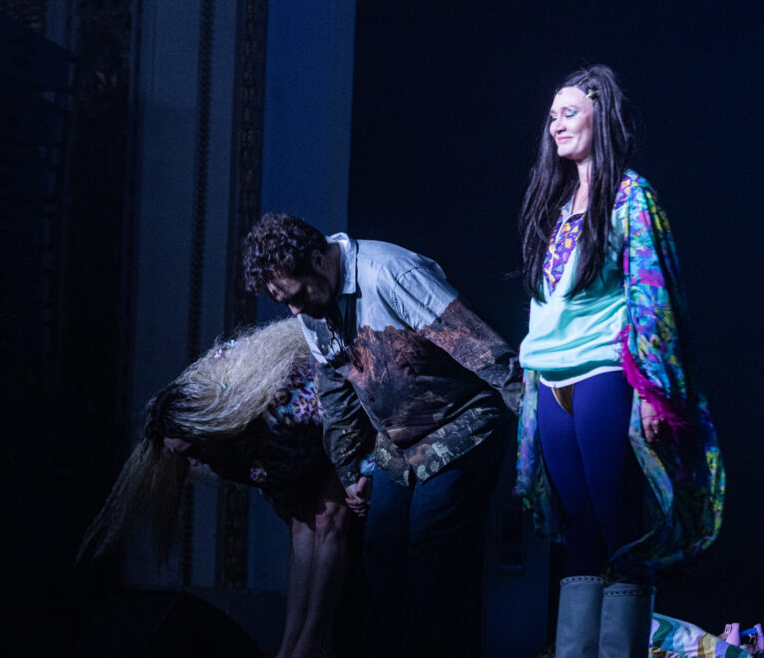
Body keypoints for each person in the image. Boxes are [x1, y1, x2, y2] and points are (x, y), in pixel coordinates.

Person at [513, 64, 725, 657]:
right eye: (552, 116)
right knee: (577, 526)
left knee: (616, 520)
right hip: (550, 377)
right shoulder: (554, 201)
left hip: (604, 372)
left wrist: (654, 391)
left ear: (600, 119)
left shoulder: (631, 195)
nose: (556, 125)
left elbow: (651, 294)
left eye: (569, 113)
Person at [242, 213, 522, 658]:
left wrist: (533, 424)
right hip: (399, 443)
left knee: (433, 556)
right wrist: (351, 469)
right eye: (285, 302)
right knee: (383, 555)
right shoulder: (314, 309)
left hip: (462, 425)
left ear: (319, 260)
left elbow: (480, 347)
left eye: (296, 296)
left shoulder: (391, 272)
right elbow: (336, 393)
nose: (294, 311)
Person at [76, 318, 355, 658]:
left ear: (208, 429)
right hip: (288, 453)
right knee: (302, 529)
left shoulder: (281, 406)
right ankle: (289, 649)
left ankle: (308, 645)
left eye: (193, 450)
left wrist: (359, 473)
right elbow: (290, 510)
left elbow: (345, 412)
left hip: (341, 422)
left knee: (328, 520)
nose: (194, 463)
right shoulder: (225, 457)